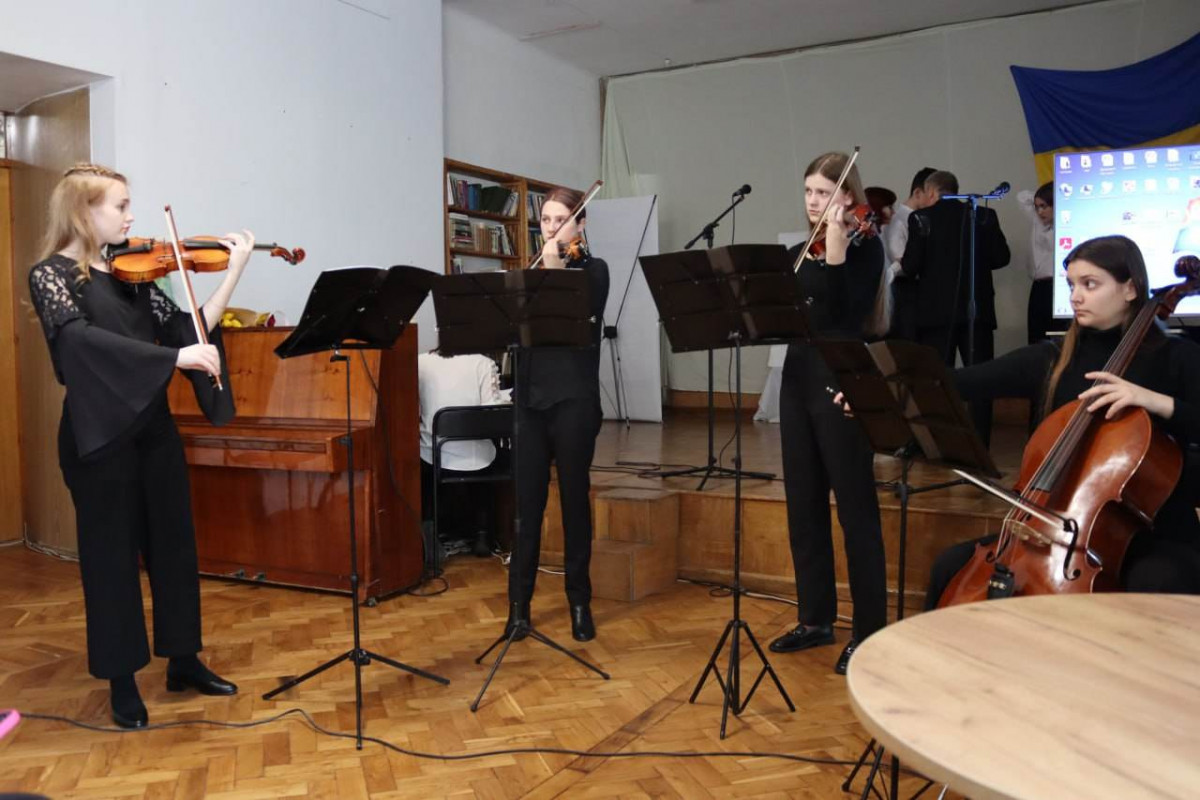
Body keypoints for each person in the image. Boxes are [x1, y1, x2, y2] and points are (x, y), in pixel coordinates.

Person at [26, 164, 251, 728]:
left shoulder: (135, 275)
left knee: (175, 545)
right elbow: (80, 346)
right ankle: (122, 680)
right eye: (120, 206)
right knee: (111, 558)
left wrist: (232, 275)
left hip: (153, 430)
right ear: (85, 212)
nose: (131, 217)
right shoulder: (50, 276)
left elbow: (188, 331)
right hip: (98, 437)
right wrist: (173, 358)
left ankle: (183, 660)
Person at [925, 235, 1200, 608]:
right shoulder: (1054, 358)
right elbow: (958, 382)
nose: (1075, 297)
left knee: (1156, 581)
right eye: (1071, 285)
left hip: (1154, 533)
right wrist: (882, 386)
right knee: (950, 566)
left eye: (1090, 284)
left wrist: (1156, 401)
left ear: (1130, 289)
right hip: (1058, 530)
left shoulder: (1178, 358)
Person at [769, 152, 890, 675]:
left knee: (855, 509)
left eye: (824, 192)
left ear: (848, 197)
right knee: (803, 505)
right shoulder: (799, 253)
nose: (814, 201)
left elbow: (846, 314)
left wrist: (837, 250)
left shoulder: (866, 247)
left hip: (843, 378)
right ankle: (815, 618)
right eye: (809, 192)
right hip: (797, 378)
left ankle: (869, 629)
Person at [506, 187, 609, 642]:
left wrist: (553, 270)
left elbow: (580, 315)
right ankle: (518, 609)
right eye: (545, 220)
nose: (550, 228)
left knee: (573, 504)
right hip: (529, 403)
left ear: (580, 224)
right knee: (526, 510)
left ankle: (579, 603)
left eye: (560, 219)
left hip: (574, 402)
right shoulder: (526, 277)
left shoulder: (594, 271)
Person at [902, 169, 1010, 444]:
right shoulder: (983, 215)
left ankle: (941, 442)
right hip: (978, 312)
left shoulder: (921, 218)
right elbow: (1001, 258)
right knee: (983, 379)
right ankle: (980, 443)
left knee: (936, 381)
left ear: (931, 192)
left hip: (935, 315)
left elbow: (911, 266)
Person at [417, 349, 509, 557]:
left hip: (433, 454)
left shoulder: (421, 362)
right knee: (496, 453)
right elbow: (491, 411)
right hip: (477, 457)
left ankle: (431, 531)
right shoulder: (482, 363)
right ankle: (483, 534)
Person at [882, 167, 937, 340]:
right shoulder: (899, 220)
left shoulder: (920, 218)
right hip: (905, 291)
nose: (936, 202)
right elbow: (901, 261)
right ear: (918, 193)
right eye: (932, 196)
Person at [1018, 181, 1064, 344]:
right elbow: (1022, 197)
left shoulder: (1063, 227)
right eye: (1037, 207)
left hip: (1057, 286)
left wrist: (1057, 199)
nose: (1040, 212)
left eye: (1044, 206)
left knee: (1057, 335)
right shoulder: (1037, 221)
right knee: (1037, 336)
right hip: (1038, 287)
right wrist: (1041, 198)